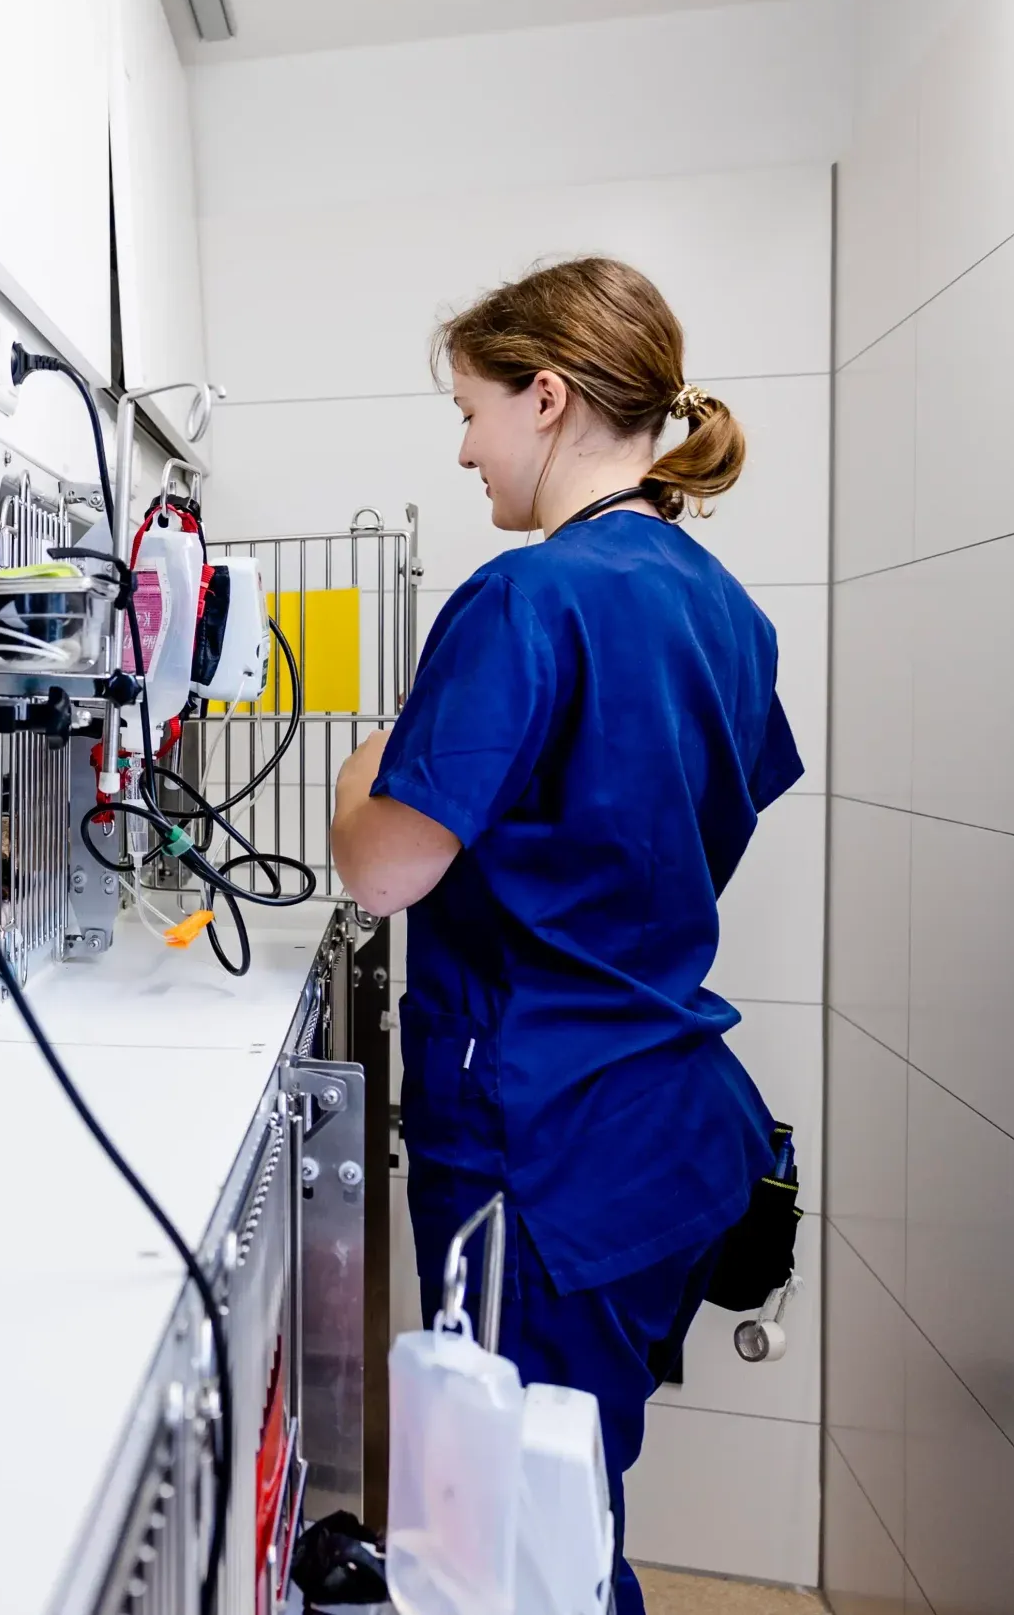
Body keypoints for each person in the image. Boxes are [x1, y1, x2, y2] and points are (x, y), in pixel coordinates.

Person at [328, 257, 799, 1615]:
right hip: (671, 1139)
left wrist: (374, 755)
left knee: (507, 1552)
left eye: (472, 409)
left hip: (537, 1151)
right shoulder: (726, 610)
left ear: (546, 398)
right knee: (572, 1498)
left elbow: (382, 868)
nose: (467, 447)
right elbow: (685, 824)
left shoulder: (528, 597)